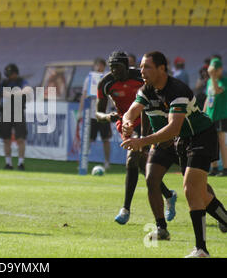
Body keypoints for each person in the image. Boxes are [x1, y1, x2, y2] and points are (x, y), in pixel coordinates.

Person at [121, 51, 227, 258]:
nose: (142, 71)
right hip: (184, 141)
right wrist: (126, 122)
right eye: (141, 67)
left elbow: (173, 129)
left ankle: (201, 250)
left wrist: (141, 141)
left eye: (147, 67)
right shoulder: (147, 90)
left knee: (190, 189)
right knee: (202, 195)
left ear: (162, 69)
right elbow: (131, 111)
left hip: (201, 136)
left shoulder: (177, 90)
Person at [96, 51, 177, 225]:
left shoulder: (140, 77)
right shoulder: (106, 83)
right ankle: (169, 195)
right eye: (112, 69)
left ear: (127, 66)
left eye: (118, 68)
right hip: (124, 123)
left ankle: (125, 209)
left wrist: (144, 135)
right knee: (141, 164)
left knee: (133, 158)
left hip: (146, 119)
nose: (115, 72)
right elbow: (98, 113)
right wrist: (106, 117)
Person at [77, 58, 111, 170]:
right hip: (91, 114)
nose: (99, 67)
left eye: (101, 65)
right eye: (97, 65)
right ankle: (82, 160)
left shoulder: (108, 78)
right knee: (88, 139)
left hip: (104, 113)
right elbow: (84, 95)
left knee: (106, 139)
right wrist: (80, 112)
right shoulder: (89, 79)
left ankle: (107, 162)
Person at [0, 63, 30, 170]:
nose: (9, 76)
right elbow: (0, 93)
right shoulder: (4, 82)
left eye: (10, 74)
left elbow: (27, 89)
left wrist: (15, 93)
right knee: (6, 139)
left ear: (15, 73)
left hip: (18, 111)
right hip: (6, 112)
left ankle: (21, 163)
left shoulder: (21, 81)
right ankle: (8, 163)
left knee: (20, 139)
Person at [203, 57, 227, 177]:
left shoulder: (223, 80)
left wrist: (212, 77)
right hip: (210, 116)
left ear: (220, 70)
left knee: (221, 142)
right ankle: (214, 167)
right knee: (211, 142)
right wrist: (203, 112)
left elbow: (217, 91)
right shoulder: (209, 82)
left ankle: (226, 168)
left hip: (221, 115)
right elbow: (208, 97)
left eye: (216, 70)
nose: (214, 72)